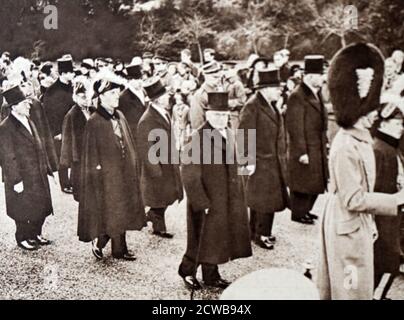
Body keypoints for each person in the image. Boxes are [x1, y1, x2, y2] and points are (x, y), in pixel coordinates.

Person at [317, 43, 404, 300]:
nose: (373, 117)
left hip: (356, 224)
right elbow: (353, 199)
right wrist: (396, 200)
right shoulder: (345, 145)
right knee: (349, 288)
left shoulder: (360, 139)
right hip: (346, 224)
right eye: (368, 111)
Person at [178, 91, 252, 290]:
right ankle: (187, 271)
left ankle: (211, 275)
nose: (221, 118)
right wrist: (201, 202)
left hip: (224, 197)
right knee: (199, 238)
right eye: (217, 114)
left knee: (216, 237)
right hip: (206, 200)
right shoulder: (198, 138)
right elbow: (190, 176)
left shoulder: (228, 133)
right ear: (208, 115)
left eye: (224, 114)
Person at [78, 72, 146, 261]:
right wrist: (96, 175)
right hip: (106, 176)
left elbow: (128, 142)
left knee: (123, 208)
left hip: (124, 172)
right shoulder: (94, 121)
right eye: (112, 93)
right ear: (101, 97)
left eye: (117, 92)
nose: (117, 96)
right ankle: (100, 242)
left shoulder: (120, 116)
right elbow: (90, 154)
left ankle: (120, 248)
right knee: (111, 211)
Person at [239, 68, 289, 250]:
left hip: (272, 161)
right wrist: (246, 164)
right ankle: (261, 234)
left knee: (265, 199)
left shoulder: (271, 104)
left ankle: (256, 231)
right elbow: (244, 135)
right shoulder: (252, 106)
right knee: (263, 200)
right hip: (260, 162)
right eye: (276, 87)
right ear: (265, 88)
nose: (279, 90)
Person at [0, 86, 54, 251]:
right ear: (14, 106)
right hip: (21, 176)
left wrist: (47, 168)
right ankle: (22, 237)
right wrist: (16, 180)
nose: (29, 105)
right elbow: (8, 157)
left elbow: (39, 146)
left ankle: (36, 234)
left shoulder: (28, 120)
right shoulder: (6, 127)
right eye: (25, 103)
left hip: (36, 173)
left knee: (40, 205)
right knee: (22, 209)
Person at [137, 78, 184, 239]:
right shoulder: (147, 119)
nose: (168, 98)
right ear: (157, 99)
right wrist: (154, 169)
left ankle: (152, 215)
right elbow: (145, 147)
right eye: (164, 95)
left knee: (169, 195)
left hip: (168, 162)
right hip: (158, 166)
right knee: (160, 196)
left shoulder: (162, 113)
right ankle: (158, 224)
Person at [285, 55, 328, 225]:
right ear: (310, 77)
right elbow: (295, 127)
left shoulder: (315, 93)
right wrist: (302, 151)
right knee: (304, 182)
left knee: (315, 181)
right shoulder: (298, 95)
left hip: (316, 145)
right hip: (305, 147)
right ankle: (299, 213)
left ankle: (306, 211)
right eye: (320, 74)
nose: (323, 78)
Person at [372, 94, 404, 300]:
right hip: (383, 214)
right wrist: (249, 166)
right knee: (386, 258)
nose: (401, 127)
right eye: (397, 122)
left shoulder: (390, 148)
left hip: (391, 212)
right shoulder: (380, 150)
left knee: (389, 258)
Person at [42, 56, 75, 194]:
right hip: (60, 129)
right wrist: (56, 132)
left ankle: (74, 180)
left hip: (72, 127)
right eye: (69, 72)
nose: (72, 75)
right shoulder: (52, 91)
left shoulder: (71, 87)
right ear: (62, 73)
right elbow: (49, 114)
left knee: (74, 154)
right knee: (63, 157)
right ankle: (64, 183)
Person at [60, 76, 94, 202]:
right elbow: (67, 142)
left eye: (86, 96)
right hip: (79, 160)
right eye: (81, 97)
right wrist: (66, 162)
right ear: (75, 97)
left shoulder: (93, 111)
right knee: (83, 196)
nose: (84, 100)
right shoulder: (71, 115)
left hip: (94, 157)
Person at [189, 61, 224, 129]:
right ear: (206, 76)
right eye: (215, 77)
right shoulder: (200, 95)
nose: (219, 80)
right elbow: (197, 123)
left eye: (220, 77)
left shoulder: (219, 90)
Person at [117, 60, 147, 138]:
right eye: (136, 79)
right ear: (130, 80)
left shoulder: (143, 91)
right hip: (134, 134)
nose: (140, 82)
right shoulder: (124, 97)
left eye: (140, 79)